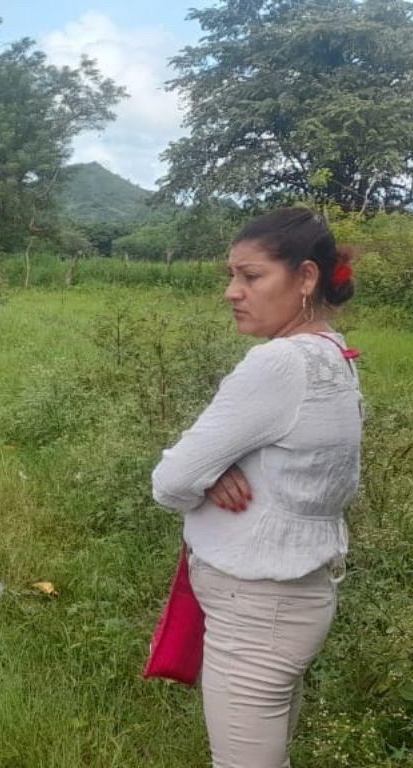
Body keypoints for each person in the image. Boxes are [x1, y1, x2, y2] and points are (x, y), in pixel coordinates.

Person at [151, 207, 363, 768]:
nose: (231, 292)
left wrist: (200, 474)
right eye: (232, 276)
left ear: (307, 278)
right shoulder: (333, 355)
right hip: (293, 597)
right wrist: (214, 472)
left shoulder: (278, 365)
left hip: (258, 608)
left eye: (251, 276)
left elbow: (169, 482)